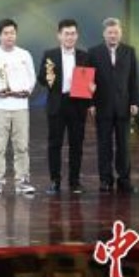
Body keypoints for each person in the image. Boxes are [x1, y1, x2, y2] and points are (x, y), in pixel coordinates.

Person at [0, 18, 37, 196]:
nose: (9, 36)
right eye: (6, 33)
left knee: (22, 146)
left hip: (20, 106)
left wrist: (27, 91)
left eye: (12, 33)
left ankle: (22, 180)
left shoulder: (24, 54)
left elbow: (32, 78)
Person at [37, 18, 94, 195]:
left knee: (77, 144)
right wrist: (48, 76)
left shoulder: (84, 56)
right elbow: (41, 79)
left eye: (73, 34)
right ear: (59, 36)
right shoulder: (50, 55)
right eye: (66, 34)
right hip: (57, 104)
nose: (70, 37)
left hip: (77, 104)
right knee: (55, 144)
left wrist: (91, 88)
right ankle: (55, 181)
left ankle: (74, 181)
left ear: (77, 35)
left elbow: (91, 81)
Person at [89, 17, 139, 193]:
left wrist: (135, 102)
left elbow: (134, 79)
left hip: (123, 106)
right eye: (110, 32)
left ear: (121, 33)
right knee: (104, 145)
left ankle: (124, 180)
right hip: (102, 106)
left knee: (124, 146)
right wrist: (91, 103)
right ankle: (105, 180)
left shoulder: (129, 51)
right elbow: (88, 80)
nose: (113, 35)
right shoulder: (93, 52)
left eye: (116, 32)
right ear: (104, 34)